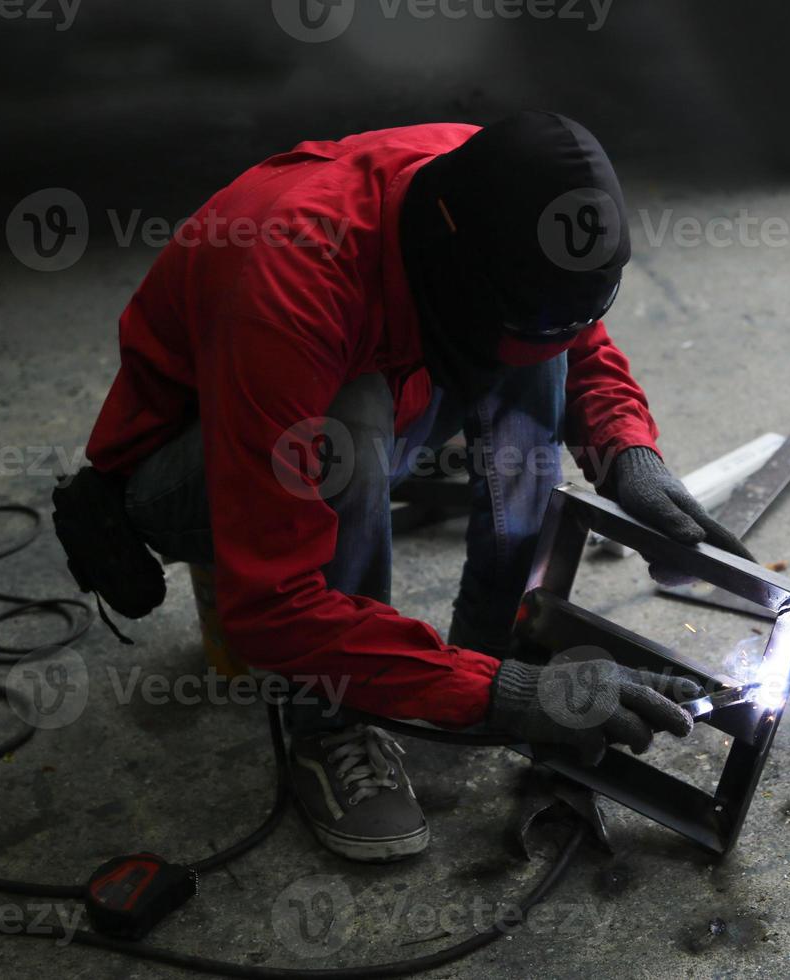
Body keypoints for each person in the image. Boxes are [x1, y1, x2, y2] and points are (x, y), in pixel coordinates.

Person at [52, 111, 753, 862]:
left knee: (534, 356)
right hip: (204, 463)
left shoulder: (500, 192)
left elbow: (571, 338)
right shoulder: (290, 287)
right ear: (451, 260)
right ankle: (330, 723)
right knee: (348, 425)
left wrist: (626, 456)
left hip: (384, 374)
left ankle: (491, 640)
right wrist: (509, 698)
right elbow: (272, 608)